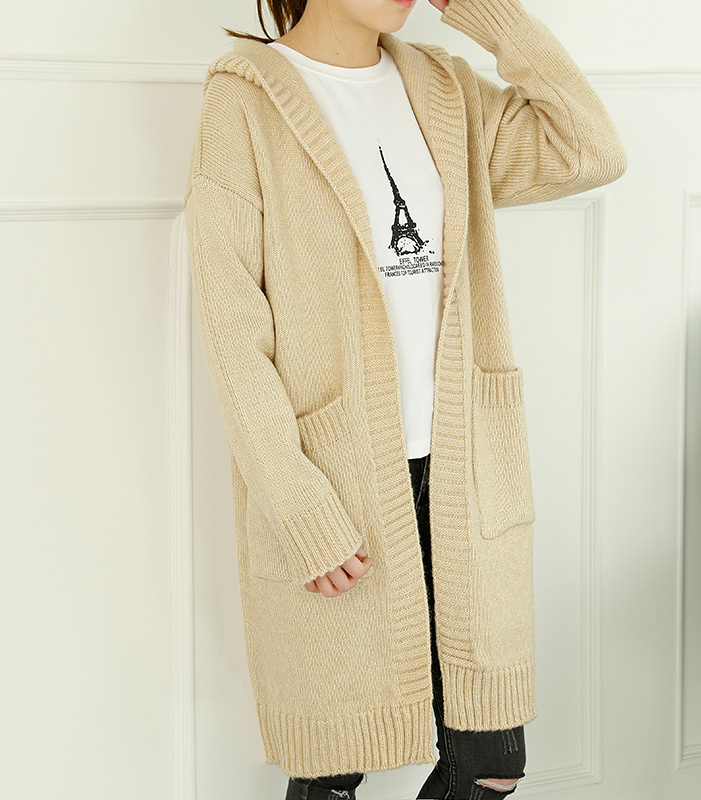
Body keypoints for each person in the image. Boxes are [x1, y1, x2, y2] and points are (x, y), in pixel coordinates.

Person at [183, 0, 627, 796]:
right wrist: (297, 504)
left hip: (464, 476)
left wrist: (493, 19)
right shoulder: (246, 98)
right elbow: (232, 332)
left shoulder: (445, 88)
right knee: (333, 766)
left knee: (491, 762)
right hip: (336, 484)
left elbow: (590, 149)